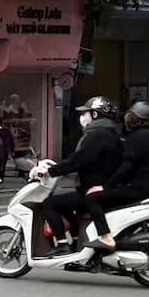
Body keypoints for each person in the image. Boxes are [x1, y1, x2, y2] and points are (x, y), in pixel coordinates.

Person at [40, 96, 123, 248]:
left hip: (93, 189)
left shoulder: (97, 135)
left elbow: (79, 160)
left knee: (49, 204)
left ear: (95, 115)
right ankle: (77, 241)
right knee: (66, 205)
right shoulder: (111, 133)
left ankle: (62, 244)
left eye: (85, 113)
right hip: (104, 187)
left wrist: (50, 171)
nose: (82, 117)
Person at [85, 101, 149, 251]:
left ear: (134, 118)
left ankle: (105, 237)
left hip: (137, 188)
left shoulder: (136, 138)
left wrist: (105, 186)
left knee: (92, 197)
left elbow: (126, 167)